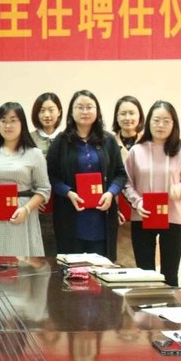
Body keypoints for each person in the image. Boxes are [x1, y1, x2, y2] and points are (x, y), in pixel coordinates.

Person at [123, 100, 181, 287]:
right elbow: (126, 183)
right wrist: (138, 202)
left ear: (174, 124)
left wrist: (179, 189)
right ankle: (146, 307)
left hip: (172, 219)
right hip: (143, 217)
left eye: (166, 121)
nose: (161, 125)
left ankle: (170, 307)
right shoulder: (136, 151)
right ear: (148, 122)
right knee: (144, 275)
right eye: (156, 120)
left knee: (170, 276)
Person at [46, 90, 126, 261]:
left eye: (89, 107)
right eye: (79, 107)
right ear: (71, 112)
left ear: (97, 111)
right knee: (71, 268)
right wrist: (68, 192)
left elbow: (120, 174)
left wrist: (111, 193)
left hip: (102, 216)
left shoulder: (109, 140)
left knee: (101, 268)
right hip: (70, 214)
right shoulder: (61, 141)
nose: (85, 111)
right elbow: (50, 175)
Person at [0, 102, 50, 256]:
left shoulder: (35, 154)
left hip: (23, 214)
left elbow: (44, 189)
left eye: (13, 120)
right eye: (3, 121)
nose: (8, 125)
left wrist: (26, 209)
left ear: (22, 123)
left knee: (23, 264)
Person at [111, 95, 145, 268]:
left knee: (144, 265)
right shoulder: (108, 142)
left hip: (144, 212)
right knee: (119, 265)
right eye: (123, 113)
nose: (127, 118)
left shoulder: (149, 142)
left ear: (140, 116)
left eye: (132, 113)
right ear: (116, 117)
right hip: (118, 213)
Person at [29, 92, 63, 257]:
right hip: (37, 205)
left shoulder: (67, 138)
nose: (47, 115)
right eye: (42, 111)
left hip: (63, 203)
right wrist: (33, 196)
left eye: (51, 110)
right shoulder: (28, 139)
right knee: (38, 254)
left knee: (61, 252)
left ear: (59, 111)